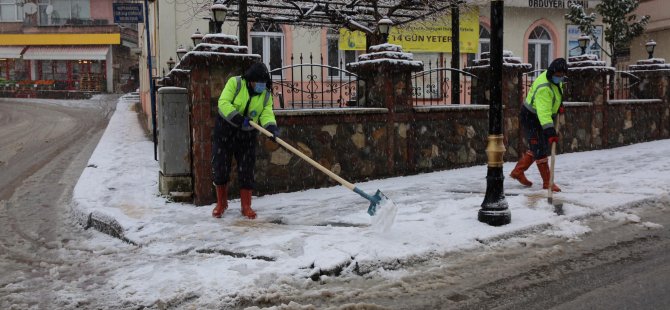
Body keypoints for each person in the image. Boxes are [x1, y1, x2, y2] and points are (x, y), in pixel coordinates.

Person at [211, 62, 280, 219]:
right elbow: (223, 103)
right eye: (259, 83)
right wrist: (238, 118)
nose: (261, 86)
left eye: (264, 83)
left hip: (247, 135)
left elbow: (266, 113)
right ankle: (221, 203)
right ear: (251, 80)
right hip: (225, 132)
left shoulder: (266, 95)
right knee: (221, 167)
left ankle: (246, 206)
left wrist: (271, 128)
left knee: (246, 169)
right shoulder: (235, 83)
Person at [510, 58, 567, 192]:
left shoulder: (555, 81)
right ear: (552, 72)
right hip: (531, 117)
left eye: (562, 75)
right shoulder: (544, 87)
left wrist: (559, 106)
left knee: (537, 146)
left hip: (539, 116)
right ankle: (548, 182)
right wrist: (550, 132)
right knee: (539, 148)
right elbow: (543, 112)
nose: (560, 78)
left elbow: (557, 94)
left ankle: (518, 171)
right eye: (558, 75)